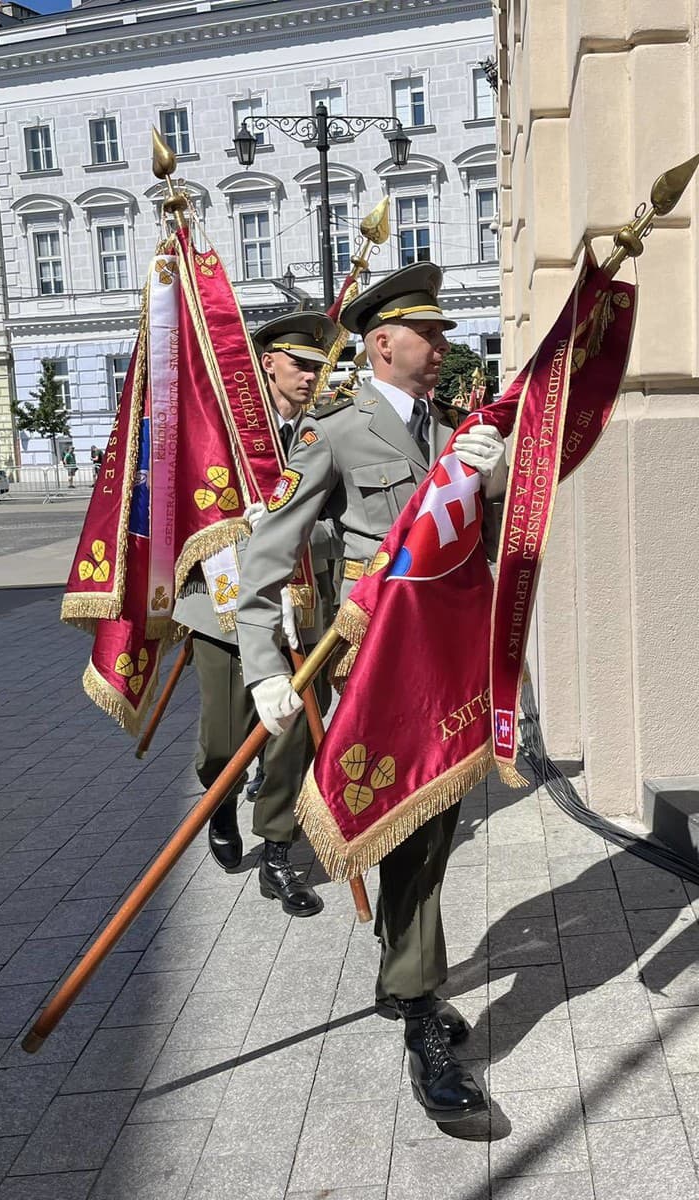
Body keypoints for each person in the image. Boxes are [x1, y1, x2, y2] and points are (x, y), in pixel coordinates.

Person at [235, 263, 506, 1123]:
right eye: (431, 338)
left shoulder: (451, 430)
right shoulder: (338, 433)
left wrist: (488, 479)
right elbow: (269, 551)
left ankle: (406, 982)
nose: (444, 352)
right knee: (417, 835)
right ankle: (420, 1009)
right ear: (383, 343)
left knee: (428, 830)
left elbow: (475, 546)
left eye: (444, 338)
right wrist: (264, 666)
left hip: (447, 660)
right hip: (375, 665)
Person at [172, 310, 339, 918]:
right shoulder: (223, 432)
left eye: (320, 368)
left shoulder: (325, 433)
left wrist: (290, 541)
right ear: (268, 362)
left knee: (290, 735)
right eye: (302, 365)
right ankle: (218, 798)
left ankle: (276, 852)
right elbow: (189, 512)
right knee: (224, 736)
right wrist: (243, 531)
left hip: (298, 607)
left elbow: (337, 524)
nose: (312, 378)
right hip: (221, 605)